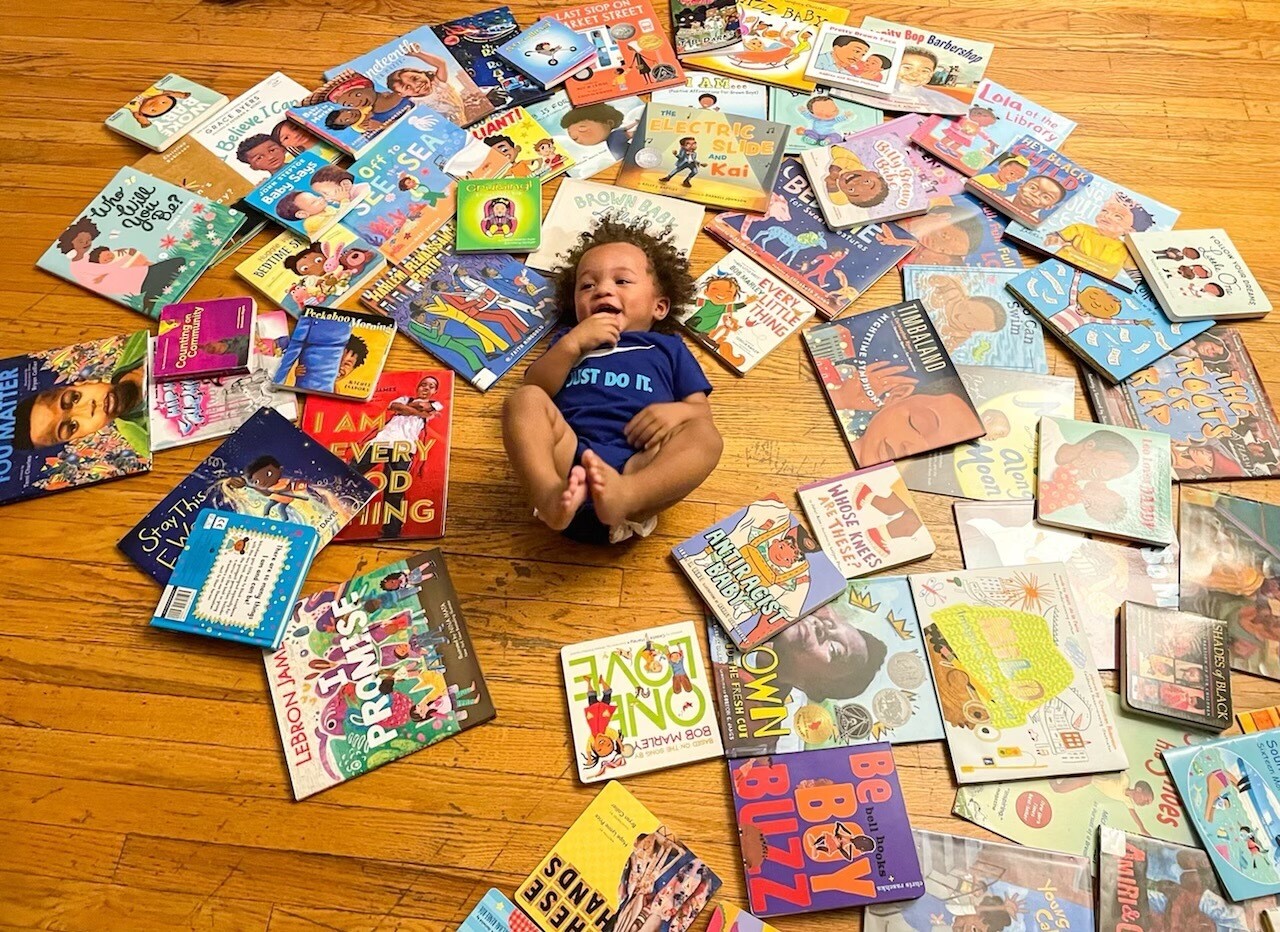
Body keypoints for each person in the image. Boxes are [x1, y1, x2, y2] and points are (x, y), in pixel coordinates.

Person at [502, 218, 722, 544]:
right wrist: (573, 344)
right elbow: (538, 386)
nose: (603, 289)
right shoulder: (569, 340)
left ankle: (628, 495)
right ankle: (546, 493)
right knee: (524, 400)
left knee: (706, 439)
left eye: (622, 280)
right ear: (575, 304)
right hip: (566, 462)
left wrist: (676, 414)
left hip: (638, 468)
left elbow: (700, 414)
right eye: (587, 285)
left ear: (659, 306)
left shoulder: (668, 347)